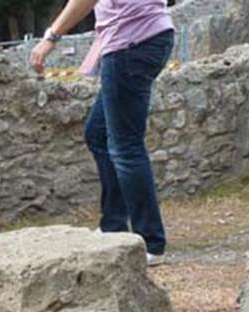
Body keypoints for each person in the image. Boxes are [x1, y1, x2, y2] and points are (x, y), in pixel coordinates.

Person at [30, 0, 175, 263]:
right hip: (142, 37)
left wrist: (51, 37)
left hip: (131, 43)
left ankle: (150, 242)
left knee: (126, 146)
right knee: (98, 134)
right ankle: (114, 225)